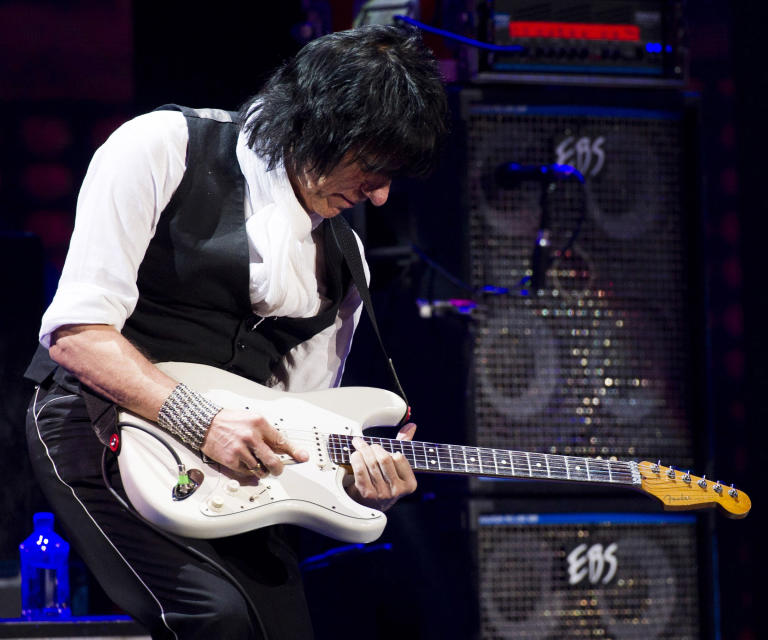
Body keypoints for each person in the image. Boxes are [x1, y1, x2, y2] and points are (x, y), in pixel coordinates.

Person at [24, 25, 449, 639]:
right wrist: (201, 420)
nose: (380, 196)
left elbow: (300, 419)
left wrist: (360, 483)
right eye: (374, 168)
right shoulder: (162, 146)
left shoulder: (344, 255)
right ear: (320, 125)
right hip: (98, 421)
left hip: (231, 473)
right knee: (217, 616)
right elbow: (75, 334)